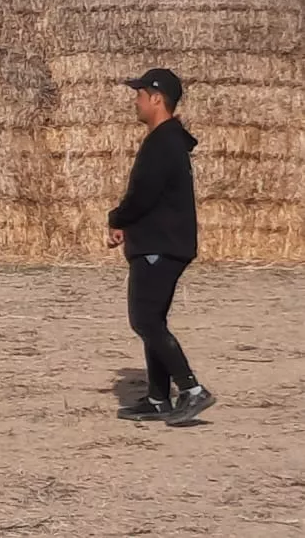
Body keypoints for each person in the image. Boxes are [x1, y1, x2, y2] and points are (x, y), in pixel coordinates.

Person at [109, 68, 214, 426]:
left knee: (145, 319)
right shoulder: (169, 140)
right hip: (163, 242)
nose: (135, 101)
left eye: (139, 94)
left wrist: (117, 218)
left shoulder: (163, 142)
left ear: (157, 98)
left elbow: (143, 194)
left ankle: (191, 389)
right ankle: (158, 398)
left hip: (160, 245)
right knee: (152, 320)